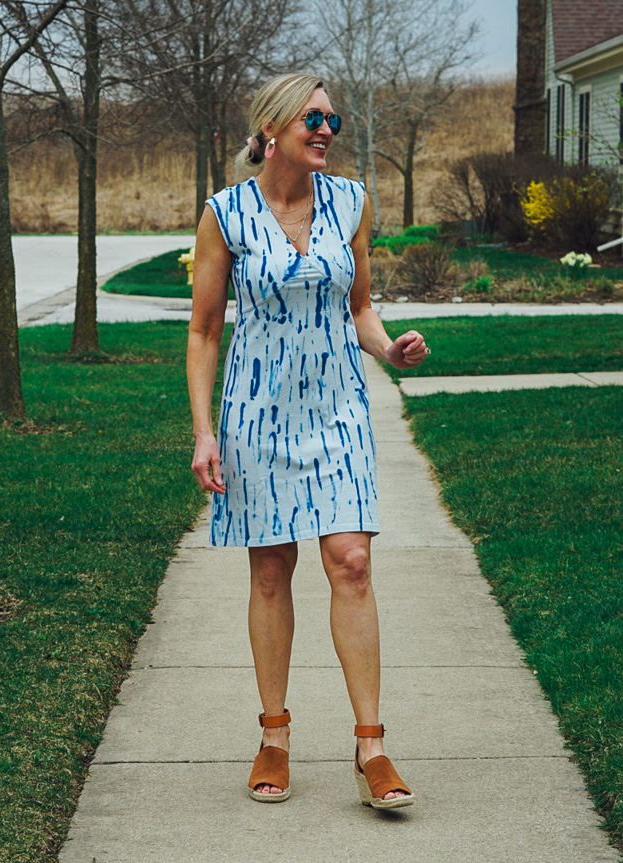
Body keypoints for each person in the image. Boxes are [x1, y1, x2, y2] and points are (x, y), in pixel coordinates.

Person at [186, 73, 430, 809]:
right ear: (272, 127)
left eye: (333, 118)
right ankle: (274, 734)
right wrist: (204, 432)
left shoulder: (351, 202)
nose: (326, 128)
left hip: (337, 411)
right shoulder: (225, 214)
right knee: (270, 572)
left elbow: (359, 308)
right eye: (312, 117)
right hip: (257, 414)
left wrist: (388, 350)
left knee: (351, 560)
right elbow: (202, 332)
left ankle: (372, 745)